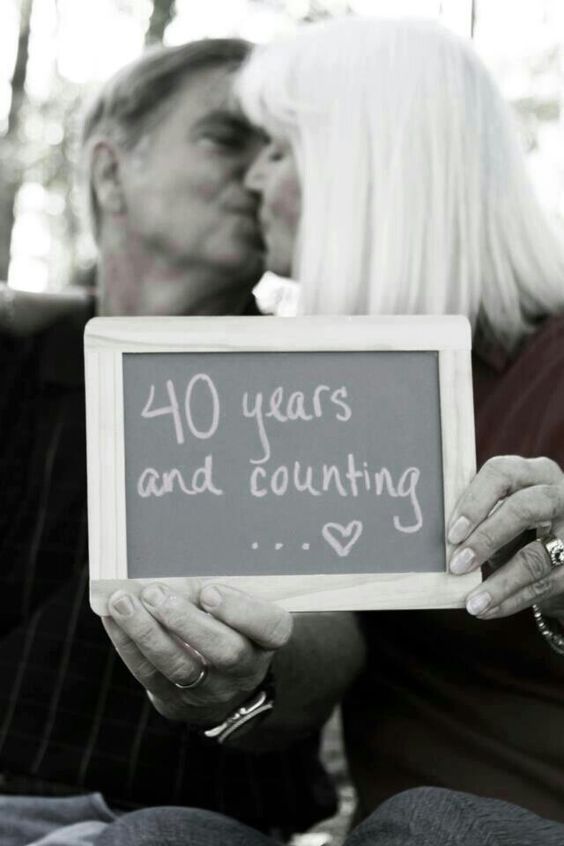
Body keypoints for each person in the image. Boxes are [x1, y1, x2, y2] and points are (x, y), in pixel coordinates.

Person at [99, 16, 564, 846]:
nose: (250, 179)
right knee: (158, 836)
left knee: (439, 824)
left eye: (276, 148)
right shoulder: (309, 392)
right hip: (388, 828)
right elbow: (318, 642)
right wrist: (235, 669)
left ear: (364, 168)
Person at [0, 38, 337, 846]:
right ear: (112, 172)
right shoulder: (18, 355)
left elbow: (333, 644)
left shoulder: (313, 381)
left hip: (181, 821)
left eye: (280, 149)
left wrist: (253, 672)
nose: (260, 174)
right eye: (227, 138)